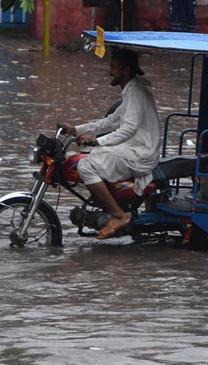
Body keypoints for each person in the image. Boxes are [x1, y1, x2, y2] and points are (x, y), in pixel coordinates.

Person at [62, 49, 161, 239]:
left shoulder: (134, 91)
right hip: (135, 148)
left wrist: (98, 141)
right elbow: (111, 122)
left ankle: (118, 214)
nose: (110, 72)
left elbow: (129, 128)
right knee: (95, 157)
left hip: (140, 153)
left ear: (125, 71)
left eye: (113, 68)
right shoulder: (134, 89)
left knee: (86, 166)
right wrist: (76, 129)